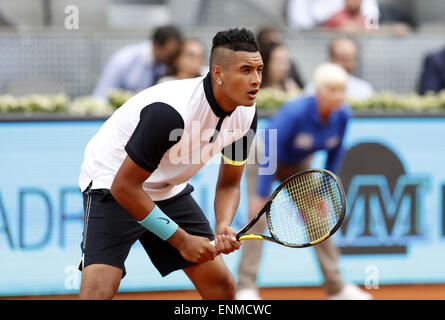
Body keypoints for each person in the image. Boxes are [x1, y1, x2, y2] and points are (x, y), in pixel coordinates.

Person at [77, 28, 263, 300]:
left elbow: (229, 183)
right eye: (245, 70)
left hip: (167, 189)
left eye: (259, 70)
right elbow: (125, 188)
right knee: (98, 293)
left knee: (222, 287)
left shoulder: (247, 114)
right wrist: (181, 240)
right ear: (218, 74)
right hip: (112, 182)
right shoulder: (170, 113)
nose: (256, 80)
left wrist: (223, 224)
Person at [235, 63, 372, 300]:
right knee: (256, 222)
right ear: (318, 91)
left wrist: (322, 193)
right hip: (265, 157)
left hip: (298, 164)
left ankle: (337, 288)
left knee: (320, 221)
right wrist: (260, 195)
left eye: (342, 90)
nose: (339, 96)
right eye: (333, 90)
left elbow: (335, 153)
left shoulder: (343, 115)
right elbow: (271, 144)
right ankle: (246, 287)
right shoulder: (295, 112)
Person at [92, 25, 182, 99]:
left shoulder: (164, 64)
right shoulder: (125, 59)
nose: (172, 56)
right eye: (169, 52)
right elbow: (101, 95)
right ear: (156, 45)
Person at [305, 37, 374, 100]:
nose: (349, 65)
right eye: (343, 59)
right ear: (331, 59)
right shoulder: (313, 89)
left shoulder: (364, 89)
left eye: (353, 59)